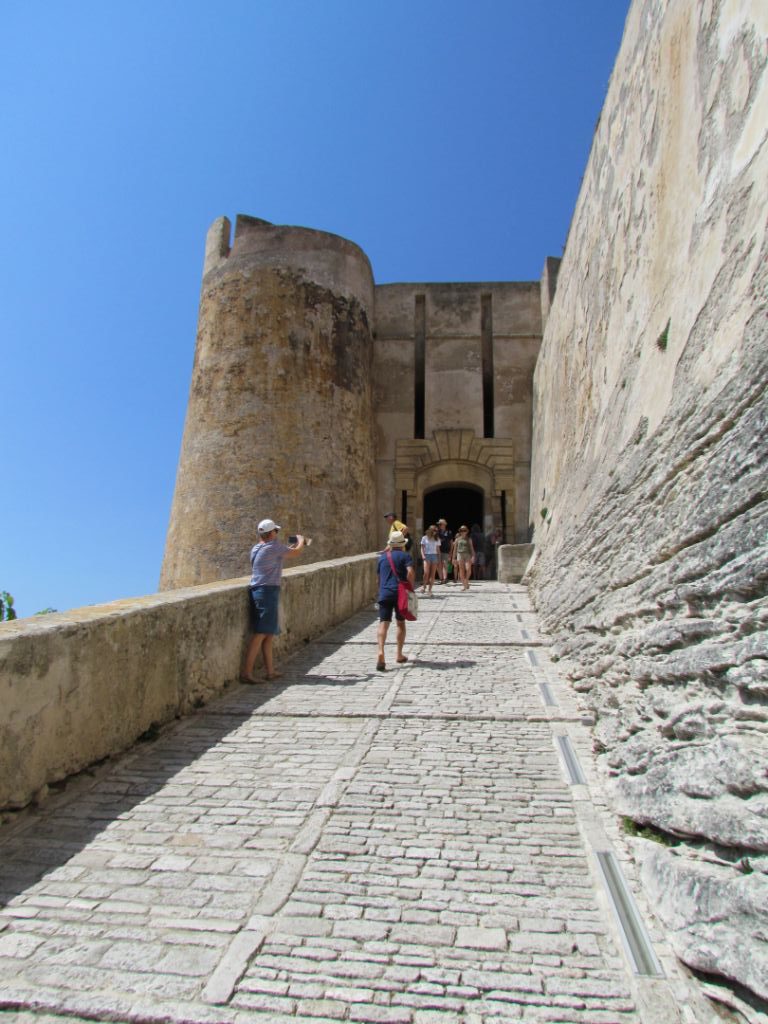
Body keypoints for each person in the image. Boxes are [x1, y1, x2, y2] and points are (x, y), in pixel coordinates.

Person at [240, 518, 306, 683]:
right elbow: (296, 553)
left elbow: (278, 554)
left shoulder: (257, 548)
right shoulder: (274, 547)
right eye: (276, 531)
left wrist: (287, 549)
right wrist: (301, 542)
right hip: (267, 591)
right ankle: (247, 673)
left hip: (259, 590)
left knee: (268, 634)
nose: (278, 533)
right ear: (271, 533)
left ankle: (270, 671)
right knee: (261, 633)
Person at [376, 530, 414, 671]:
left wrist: (381, 591)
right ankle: (398, 654)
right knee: (400, 623)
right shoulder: (405, 556)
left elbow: (378, 578)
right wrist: (409, 587)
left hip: (385, 593)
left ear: (390, 544)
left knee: (383, 624)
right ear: (402, 544)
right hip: (400, 593)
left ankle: (380, 651)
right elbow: (410, 572)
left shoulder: (382, 558)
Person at [451, 525, 475, 591]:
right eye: (461, 530)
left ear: (467, 531)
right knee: (461, 570)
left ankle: (466, 580)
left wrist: (473, 556)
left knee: (468, 569)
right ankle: (464, 586)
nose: (463, 532)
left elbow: (472, 548)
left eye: (464, 530)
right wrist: (453, 559)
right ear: (460, 531)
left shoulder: (469, 539)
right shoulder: (457, 539)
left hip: (467, 555)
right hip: (460, 554)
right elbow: (455, 549)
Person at [420, 524, 440, 596]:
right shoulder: (424, 538)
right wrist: (422, 555)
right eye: (434, 530)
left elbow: (438, 549)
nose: (435, 532)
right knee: (426, 572)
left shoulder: (437, 539)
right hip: (427, 556)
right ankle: (424, 586)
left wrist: (439, 558)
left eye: (436, 531)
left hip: (434, 556)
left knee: (432, 574)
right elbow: (422, 547)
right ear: (430, 530)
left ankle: (430, 590)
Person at [436, 518, 453, 584]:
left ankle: (445, 578)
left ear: (444, 524)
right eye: (439, 524)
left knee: (445, 564)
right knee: (438, 565)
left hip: (446, 551)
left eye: (440, 524)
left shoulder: (449, 532)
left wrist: (451, 552)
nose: (439, 525)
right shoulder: (437, 532)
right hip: (438, 550)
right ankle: (441, 579)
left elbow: (451, 543)